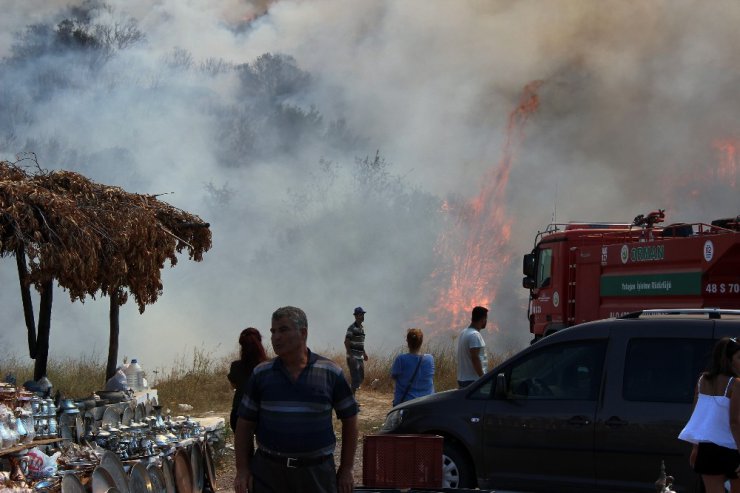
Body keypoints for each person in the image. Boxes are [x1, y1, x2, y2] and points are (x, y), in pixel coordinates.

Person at [234, 306, 359, 493]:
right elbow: (243, 426)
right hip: (269, 473)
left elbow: (350, 421)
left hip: (316, 474)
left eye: (283, 330)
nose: (276, 337)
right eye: (273, 331)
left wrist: (347, 468)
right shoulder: (261, 374)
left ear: (303, 333)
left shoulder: (330, 372)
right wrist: (242, 470)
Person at [678, 337, 740, 493]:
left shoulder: (702, 380)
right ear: (729, 360)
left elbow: (697, 416)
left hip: (707, 448)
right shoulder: (736, 383)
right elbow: (735, 422)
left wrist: (695, 448)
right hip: (733, 448)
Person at [227, 327, 268, 433]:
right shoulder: (268, 367)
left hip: (239, 414)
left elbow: (234, 385)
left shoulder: (235, 366)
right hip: (263, 414)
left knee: (242, 447)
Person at [391, 328, 435, 406]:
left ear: (407, 342)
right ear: (421, 342)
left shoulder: (401, 359)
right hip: (427, 402)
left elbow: (393, 377)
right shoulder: (430, 359)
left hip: (405, 404)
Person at [456, 305, 489, 388]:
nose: (486, 321)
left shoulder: (464, 332)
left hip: (464, 380)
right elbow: (475, 358)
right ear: (482, 319)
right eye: (486, 319)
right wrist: (483, 378)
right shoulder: (474, 335)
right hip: (473, 381)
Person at [345, 306, 368, 395]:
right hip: (353, 357)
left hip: (359, 357)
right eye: (360, 314)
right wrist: (350, 355)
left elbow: (360, 344)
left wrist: (365, 354)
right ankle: (352, 399)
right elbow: (346, 341)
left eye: (363, 314)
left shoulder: (362, 328)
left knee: (361, 377)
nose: (362, 316)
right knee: (355, 378)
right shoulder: (351, 328)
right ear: (356, 316)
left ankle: (350, 394)